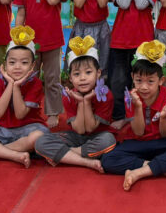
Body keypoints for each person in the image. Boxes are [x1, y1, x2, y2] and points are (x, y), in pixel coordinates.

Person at [101, 40, 166, 191]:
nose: (144, 87)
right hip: (137, 142)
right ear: (132, 77)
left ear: (161, 80)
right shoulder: (130, 97)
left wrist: (163, 118)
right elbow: (138, 132)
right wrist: (137, 107)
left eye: (150, 81)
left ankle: (139, 172)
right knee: (107, 159)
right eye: (139, 80)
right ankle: (157, 167)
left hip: (162, 142)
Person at [0, 26, 49, 167]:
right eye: (12, 62)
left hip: (29, 128)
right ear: (4, 65)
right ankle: (15, 154)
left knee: (38, 137)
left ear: (32, 66)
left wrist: (16, 87)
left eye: (24, 63)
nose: (17, 67)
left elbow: (20, 114)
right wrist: (10, 83)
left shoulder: (35, 83)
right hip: (3, 130)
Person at [35, 36, 116, 172]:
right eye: (77, 74)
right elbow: (80, 130)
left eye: (88, 72)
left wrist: (86, 101)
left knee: (109, 140)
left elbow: (90, 128)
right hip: (75, 136)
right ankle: (86, 161)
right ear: (71, 78)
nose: (82, 78)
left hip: (98, 135)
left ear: (98, 73)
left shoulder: (105, 94)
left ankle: (67, 154)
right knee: (41, 142)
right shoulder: (68, 97)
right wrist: (80, 102)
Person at [14, 0, 68, 129]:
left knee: (53, 79)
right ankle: (30, 109)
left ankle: (53, 111)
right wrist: (17, 38)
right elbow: (20, 14)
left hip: (53, 40)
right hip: (30, 42)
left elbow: (53, 0)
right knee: (30, 77)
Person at [108, 0, 158, 128]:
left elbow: (141, 3)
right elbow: (123, 3)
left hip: (143, 41)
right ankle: (120, 115)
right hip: (120, 40)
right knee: (118, 81)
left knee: (142, 80)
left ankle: (142, 114)